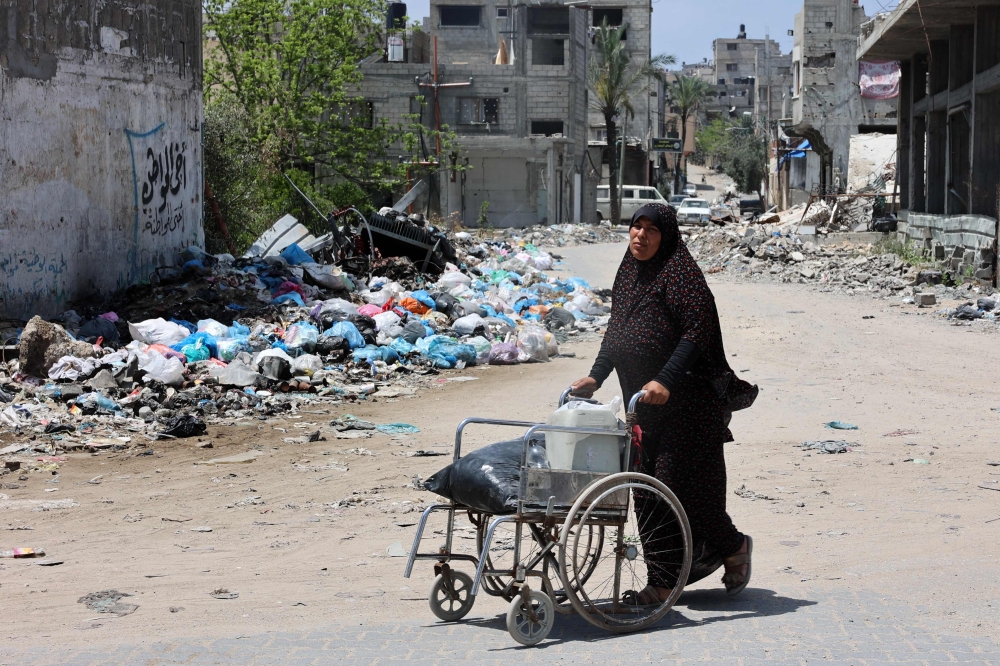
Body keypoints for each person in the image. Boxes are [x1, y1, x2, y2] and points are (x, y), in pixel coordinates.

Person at [570, 202, 758, 602]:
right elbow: (617, 335)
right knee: (645, 491)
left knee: (684, 490)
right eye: (635, 227)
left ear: (666, 235)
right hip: (642, 408)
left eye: (650, 230)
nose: (640, 236)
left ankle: (732, 546)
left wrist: (665, 379)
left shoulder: (681, 274)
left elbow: (696, 331)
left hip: (687, 405)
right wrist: (595, 375)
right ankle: (663, 579)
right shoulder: (629, 274)